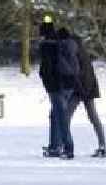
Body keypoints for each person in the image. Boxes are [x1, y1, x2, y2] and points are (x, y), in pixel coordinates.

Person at [67, 34, 106, 157]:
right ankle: (103, 146)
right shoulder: (81, 52)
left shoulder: (76, 54)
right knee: (93, 118)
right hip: (86, 89)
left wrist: (81, 90)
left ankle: (65, 145)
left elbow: (82, 75)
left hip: (83, 90)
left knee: (67, 116)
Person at [53, 26, 80, 159]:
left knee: (60, 116)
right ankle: (58, 145)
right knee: (58, 115)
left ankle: (64, 147)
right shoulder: (74, 47)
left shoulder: (60, 49)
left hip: (62, 84)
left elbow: (59, 66)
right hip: (71, 84)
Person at [38, 15, 61, 158]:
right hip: (62, 83)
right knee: (57, 115)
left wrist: (47, 82)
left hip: (55, 85)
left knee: (56, 115)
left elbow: (46, 69)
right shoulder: (59, 43)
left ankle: (56, 146)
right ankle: (57, 144)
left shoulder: (47, 45)